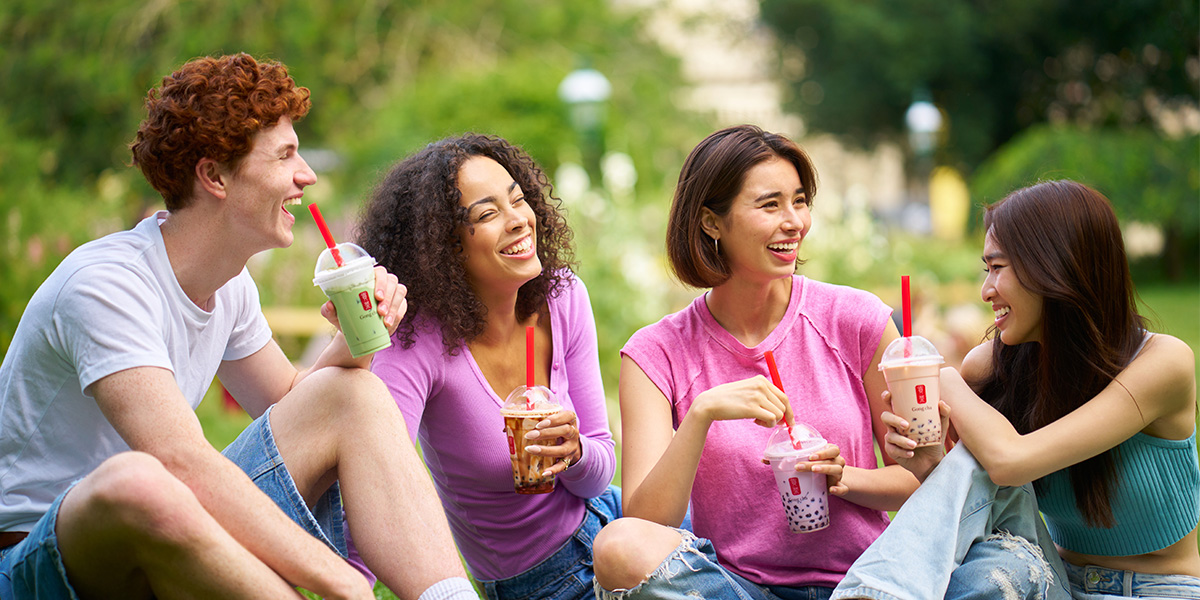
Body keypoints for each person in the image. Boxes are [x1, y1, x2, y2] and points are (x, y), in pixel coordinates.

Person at [0, 53, 478, 600]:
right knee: (138, 479)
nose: (308, 176)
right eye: (286, 156)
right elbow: (180, 461)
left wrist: (356, 338)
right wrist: (340, 580)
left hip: (169, 525)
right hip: (42, 559)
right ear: (214, 175)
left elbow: (296, 402)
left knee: (354, 394)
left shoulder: (229, 285)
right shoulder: (106, 286)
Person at [590, 124, 922, 599]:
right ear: (711, 222)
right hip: (734, 589)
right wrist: (701, 414)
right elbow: (645, 524)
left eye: (800, 200)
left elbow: (919, 478)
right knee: (617, 545)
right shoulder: (655, 353)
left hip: (862, 582)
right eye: (770, 205)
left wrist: (843, 476)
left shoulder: (856, 319)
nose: (795, 222)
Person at [832, 180, 1200, 599]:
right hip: (1055, 579)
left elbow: (1012, 461)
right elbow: (973, 493)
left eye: (998, 268)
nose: (986, 290)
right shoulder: (991, 367)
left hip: (1157, 590)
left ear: (1055, 265)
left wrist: (943, 376)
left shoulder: (1163, 363)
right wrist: (927, 460)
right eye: (985, 270)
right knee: (981, 494)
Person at [354, 133, 618, 600]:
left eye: (518, 200)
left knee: (753, 561)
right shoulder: (417, 343)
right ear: (445, 246)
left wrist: (573, 451)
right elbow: (375, 482)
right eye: (488, 214)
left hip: (613, 523)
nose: (519, 220)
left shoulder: (562, 296)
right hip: (540, 583)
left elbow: (599, 472)